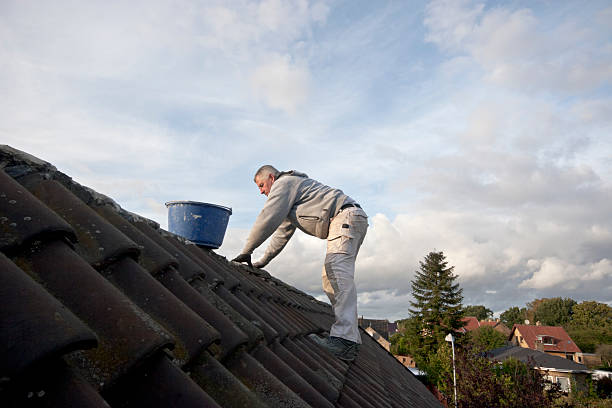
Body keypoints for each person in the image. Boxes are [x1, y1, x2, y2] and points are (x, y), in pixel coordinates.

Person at [232, 165, 368, 361]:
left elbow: (266, 219)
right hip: (349, 219)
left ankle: (345, 340)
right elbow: (281, 234)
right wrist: (262, 261)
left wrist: (246, 251)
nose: (261, 191)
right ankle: (346, 334)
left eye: (261, 185)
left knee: (337, 271)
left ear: (271, 177)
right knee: (329, 279)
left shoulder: (284, 184)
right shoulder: (291, 196)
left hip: (345, 216)